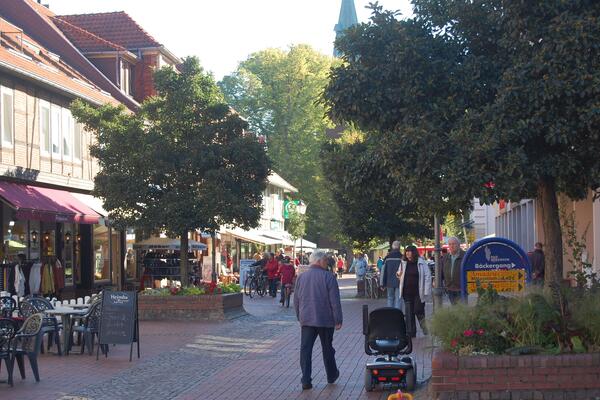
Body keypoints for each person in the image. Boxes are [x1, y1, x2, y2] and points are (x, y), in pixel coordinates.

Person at [294, 250, 342, 390]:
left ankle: (306, 379)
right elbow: (335, 301)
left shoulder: (301, 277)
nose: (327, 262)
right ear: (319, 261)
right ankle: (331, 374)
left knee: (305, 350)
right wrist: (338, 319)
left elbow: (296, 300)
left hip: (307, 319)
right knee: (327, 348)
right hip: (325, 320)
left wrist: (299, 316)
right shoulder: (328, 277)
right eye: (326, 260)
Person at [396, 245, 431, 337]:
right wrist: (398, 274)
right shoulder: (403, 262)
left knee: (418, 310)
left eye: (409, 251)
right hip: (406, 292)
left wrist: (426, 291)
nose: (407, 253)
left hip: (418, 292)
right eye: (406, 251)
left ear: (414, 252)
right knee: (409, 313)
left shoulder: (421, 262)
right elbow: (399, 274)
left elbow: (427, 276)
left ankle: (425, 329)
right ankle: (411, 333)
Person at [441, 237, 465, 304]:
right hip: (450, 288)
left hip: (461, 289)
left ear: (458, 245)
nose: (452, 246)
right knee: (454, 308)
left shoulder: (465, 256)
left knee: (461, 309)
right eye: (450, 244)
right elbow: (442, 271)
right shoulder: (445, 257)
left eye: (454, 244)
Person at [381, 241, 403, 309]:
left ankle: (390, 315)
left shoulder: (387, 257)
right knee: (398, 299)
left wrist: (382, 283)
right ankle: (397, 316)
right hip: (399, 282)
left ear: (392, 247)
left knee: (390, 298)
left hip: (389, 282)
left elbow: (383, 271)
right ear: (399, 247)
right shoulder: (402, 257)